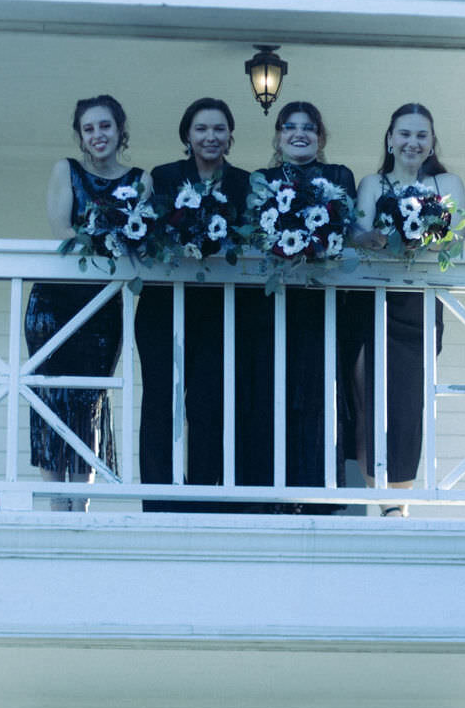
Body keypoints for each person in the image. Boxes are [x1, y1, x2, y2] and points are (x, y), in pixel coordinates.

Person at [24, 94, 148, 511]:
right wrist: (105, 235)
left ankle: (82, 505)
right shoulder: (67, 170)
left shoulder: (140, 181)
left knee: (90, 400)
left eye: (105, 126)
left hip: (102, 303)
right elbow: (64, 230)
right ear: (80, 136)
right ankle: (58, 505)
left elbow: (142, 237)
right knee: (52, 398)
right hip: (55, 301)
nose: (98, 135)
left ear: (120, 130)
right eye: (89, 128)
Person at [133, 97, 253, 510]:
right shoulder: (164, 177)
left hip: (220, 310)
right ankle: (160, 498)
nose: (210, 137)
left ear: (230, 136)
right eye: (201, 129)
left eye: (219, 129)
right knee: (160, 400)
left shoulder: (245, 184)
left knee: (209, 402)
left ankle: (204, 491)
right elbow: (145, 234)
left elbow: (252, 239)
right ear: (187, 134)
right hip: (162, 306)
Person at [353, 103, 465, 515]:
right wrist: (378, 236)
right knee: (367, 396)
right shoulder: (373, 182)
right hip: (372, 302)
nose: (412, 142)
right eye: (404, 134)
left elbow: (455, 239)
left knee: (406, 403)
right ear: (390, 139)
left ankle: (397, 501)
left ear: (432, 142)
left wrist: (425, 233)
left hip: (419, 305)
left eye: (421, 135)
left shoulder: (448, 181)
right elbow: (360, 233)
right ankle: (378, 496)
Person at [251, 102, 358, 509]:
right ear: (278, 136)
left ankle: (318, 494)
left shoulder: (338, 175)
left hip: (323, 305)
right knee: (272, 390)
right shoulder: (262, 180)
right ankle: (271, 494)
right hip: (273, 305)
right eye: (290, 127)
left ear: (321, 137)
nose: (300, 134)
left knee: (320, 393)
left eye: (309, 128)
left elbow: (346, 228)